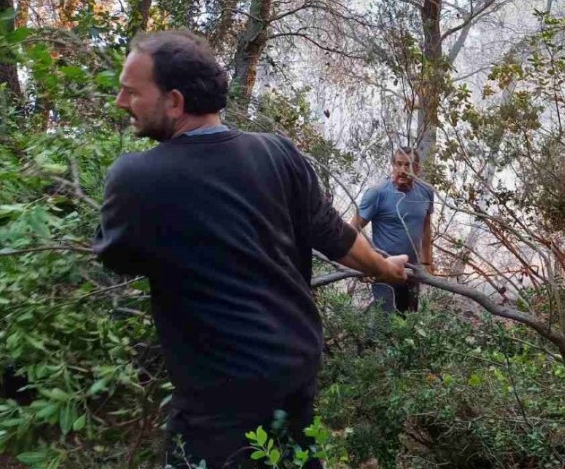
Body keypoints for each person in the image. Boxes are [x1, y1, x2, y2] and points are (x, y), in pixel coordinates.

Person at [92, 30, 408, 468]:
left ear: (175, 102)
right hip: (294, 367)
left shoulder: (136, 177)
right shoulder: (277, 152)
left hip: (219, 396)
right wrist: (386, 268)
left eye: (131, 92)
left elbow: (117, 257)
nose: (121, 102)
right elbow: (336, 236)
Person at [350, 147, 435, 314]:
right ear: (393, 165)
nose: (402, 170)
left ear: (417, 168)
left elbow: (426, 227)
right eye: (398, 164)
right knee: (385, 320)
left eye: (408, 165)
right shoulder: (377, 193)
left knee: (409, 320)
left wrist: (426, 262)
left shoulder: (426, 192)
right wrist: (364, 264)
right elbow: (353, 229)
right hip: (384, 269)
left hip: (412, 270)